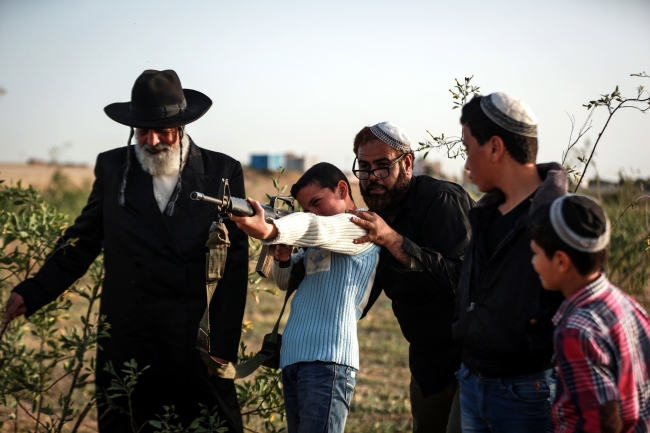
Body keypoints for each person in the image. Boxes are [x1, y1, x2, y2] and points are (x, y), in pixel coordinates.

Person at [2, 70, 248, 432]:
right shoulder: (114, 167)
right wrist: (33, 291)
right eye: (142, 130)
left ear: (181, 126)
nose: (152, 140)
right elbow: (81, 242)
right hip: (131, 337)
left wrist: (224, 343)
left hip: (197, 341)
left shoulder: (222, 171)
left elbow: (235, 263)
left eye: (162, 131)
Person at [230, 162, 380, 433]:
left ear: (342, 189)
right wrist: (284, 257)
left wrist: (271, 230)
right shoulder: (318, 242)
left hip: (328, 360)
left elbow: (317, 226)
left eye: (317, 201)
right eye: (306, 207)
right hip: (295, 358)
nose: (313, 211)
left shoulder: (360, 226)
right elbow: (284, 282)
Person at [346, 121, 475, 433]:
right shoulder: (379, 215)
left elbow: (464, 280)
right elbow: (360, 295)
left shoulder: (440, 199)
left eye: (382, 166)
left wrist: (393, 240)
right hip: (427, 365)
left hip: (471, 361)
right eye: (364, 167)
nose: (372, 177)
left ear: (407, 163)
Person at [451, 92, 568, 432]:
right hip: (472, 381)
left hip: (525, 393)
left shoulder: (558, 219)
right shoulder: (485, 213)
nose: (467, 164)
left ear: (495, 147)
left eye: (468, 146)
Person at [529, 194, 650, 433]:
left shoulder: (576, 331)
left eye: (536, 254)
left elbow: (599, 422)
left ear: (561, 262)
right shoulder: (629, 305)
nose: (533, 263)